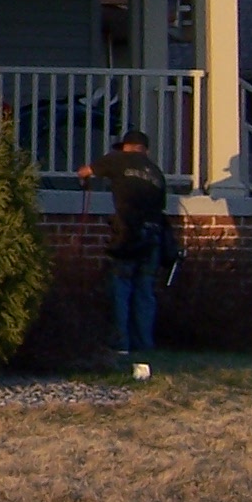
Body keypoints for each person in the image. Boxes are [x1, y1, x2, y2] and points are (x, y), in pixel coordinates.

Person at [79, 130, 169, 356]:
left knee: (120, 288)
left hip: (128, 234)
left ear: (125, 146)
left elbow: (86, 171)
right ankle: (144, 345)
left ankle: (120, 344)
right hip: (153, 236)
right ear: (145, 150)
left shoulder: (117, 159)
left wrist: (83, 178)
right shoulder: (156, 173)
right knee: (145, 291)